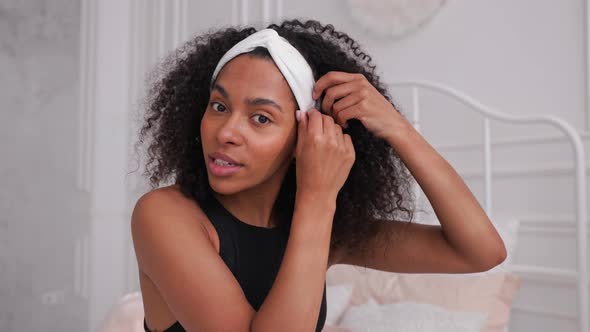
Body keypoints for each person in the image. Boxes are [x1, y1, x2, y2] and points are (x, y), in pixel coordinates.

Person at [131, 18, 507, 332]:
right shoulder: (164, 215)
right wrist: (317, 198)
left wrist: (398, 129)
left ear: (308, 137)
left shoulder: (319, 230)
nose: (226, 132)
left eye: (261, 118)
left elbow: (480, 252)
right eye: (218, 105)